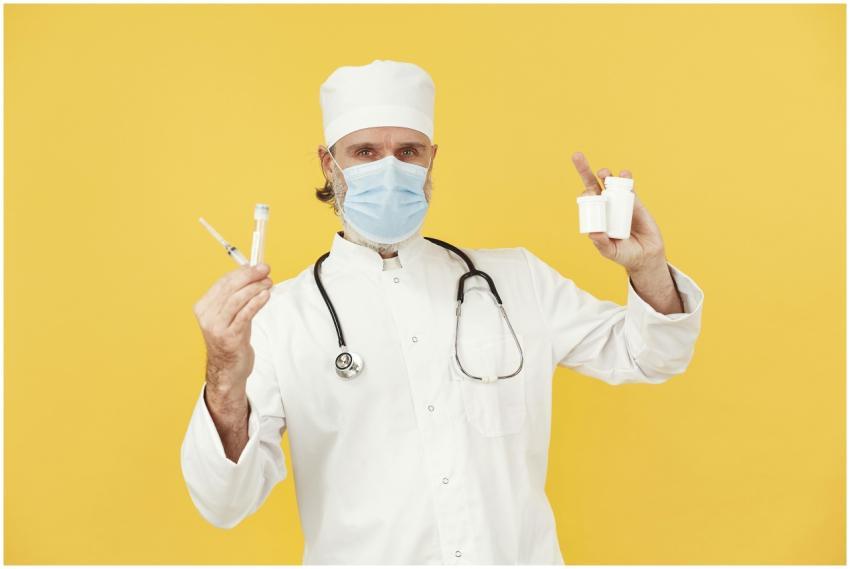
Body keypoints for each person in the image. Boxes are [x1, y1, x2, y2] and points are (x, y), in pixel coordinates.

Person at [180, 59, 705, 565]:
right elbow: (225, 503)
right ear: (328, 163)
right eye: (365, 151)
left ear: (432, 158)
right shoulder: (279, 318)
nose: (390, 169)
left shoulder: (518, 280)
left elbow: (651, 356)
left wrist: (649, 267)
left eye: (408, 151)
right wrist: (224, 370)